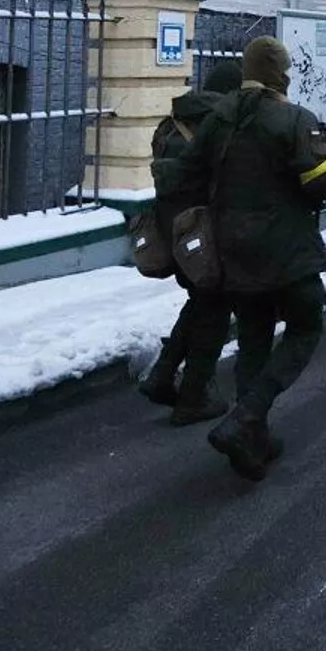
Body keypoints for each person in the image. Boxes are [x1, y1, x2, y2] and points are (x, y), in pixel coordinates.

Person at [156, 37, 326, 480]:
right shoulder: (295, 119)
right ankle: (247, 415)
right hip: (288, 251)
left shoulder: (219, 118)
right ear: (280, 73)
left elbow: (183, 176)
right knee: (305, 328)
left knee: (255, 340)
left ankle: (253, 439)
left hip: (233, 252)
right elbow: (322, 184)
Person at [140, 59, 243, 424]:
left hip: (175, 233)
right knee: (214, 311)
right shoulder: (222, 125)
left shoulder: (173, 121)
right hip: (208, 234)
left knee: (199, 303)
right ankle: (194, 397)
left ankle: (163, 375)